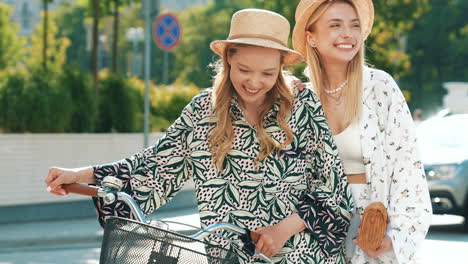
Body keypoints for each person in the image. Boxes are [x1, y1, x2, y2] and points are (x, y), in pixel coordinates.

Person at [45, 9, 353, 263]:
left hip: (300, 255)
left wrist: (282, 230)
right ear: (228, 58)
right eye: (245, 69)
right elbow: (155, 165)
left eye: (267, 73)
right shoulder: (203, 110)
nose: (255, 83)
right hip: (225, 256)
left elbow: (335, 190)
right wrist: (80, 174)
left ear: (281, 67)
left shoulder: (302, 107)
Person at [292, 0, 432, 263]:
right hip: (313, 236)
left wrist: (395, 237)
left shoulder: (380, 87)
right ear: (311, 38)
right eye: (335, 25)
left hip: (371, 234)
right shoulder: (299, 99)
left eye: (354, 25)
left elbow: (408, 169)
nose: (348, 33)